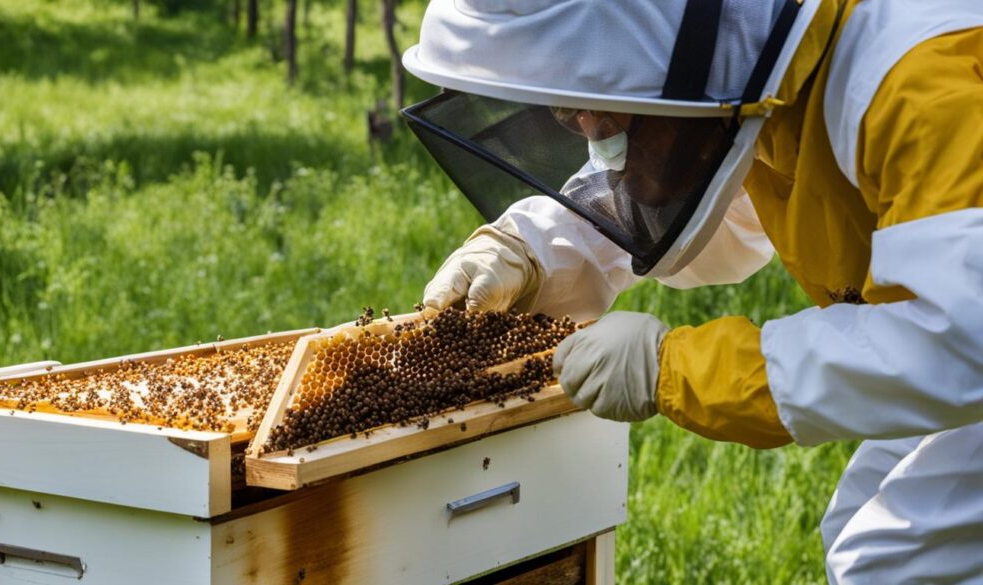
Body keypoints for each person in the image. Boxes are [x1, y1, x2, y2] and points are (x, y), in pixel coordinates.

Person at [400, 0, 983, 582]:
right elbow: (702, 202)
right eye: (568, 114)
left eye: (599, 112)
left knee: (894, 564)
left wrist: (673, 369)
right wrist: (531, 248)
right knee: (860, 521)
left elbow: (956, 343)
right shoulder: (772, 77)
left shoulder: (919, 83)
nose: (591, 134)